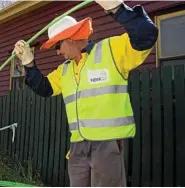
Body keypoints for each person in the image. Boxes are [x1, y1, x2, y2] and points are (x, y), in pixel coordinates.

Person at [13, 0, 158, 186]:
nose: (57, 53)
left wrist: (118, 9)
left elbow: (146, 36)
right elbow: (44, 88)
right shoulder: (64, 70)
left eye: (58, 46)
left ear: (70, 38)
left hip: (107, 145)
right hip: (77, 147)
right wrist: (29, 64)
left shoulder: (110, 50)